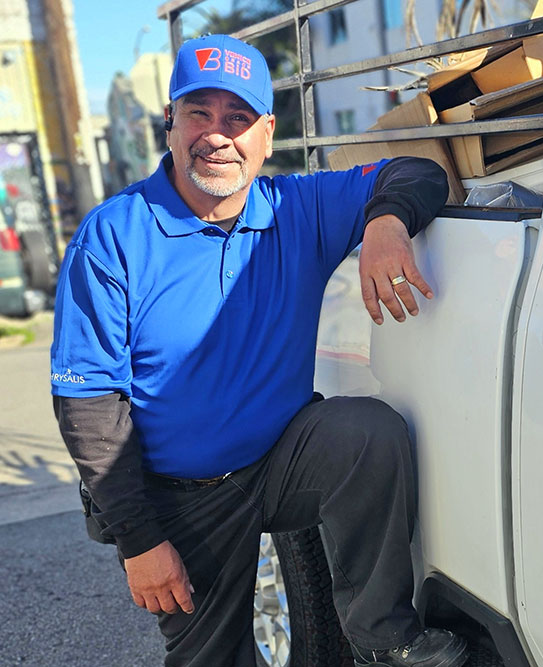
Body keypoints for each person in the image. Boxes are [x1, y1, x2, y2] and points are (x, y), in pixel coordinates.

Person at [50, 34, 467, 667]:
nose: (218, 135)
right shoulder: (113, 235)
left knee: (365, 431)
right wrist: (140, 542)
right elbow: (89, 407)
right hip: (178, 496)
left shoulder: (296, 207)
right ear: (170, 122)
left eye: (238, 118)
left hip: (278, 463)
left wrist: (386, 221)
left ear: (266, 134)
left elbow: (417, 171)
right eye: (199, 113)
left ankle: (383, 638)